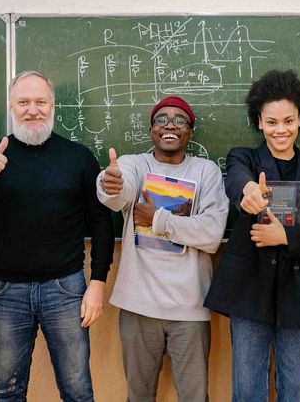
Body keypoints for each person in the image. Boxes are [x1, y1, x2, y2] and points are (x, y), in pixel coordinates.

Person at [0, 71, 114, 402]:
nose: (33, 110)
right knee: (8, 394)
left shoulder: (79, 157)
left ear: (53, 106)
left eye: (41, 102)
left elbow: (101, 222)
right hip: (7, 293)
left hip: (66, 290)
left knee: (77, 391)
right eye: (24, 102)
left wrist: (97, 282)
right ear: (11, 106)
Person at [204, 69, 300, 402]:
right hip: (249, 286)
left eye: (288, 120)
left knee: (296, 387)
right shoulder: (245, 158)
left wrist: (286, 237)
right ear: (259, 121)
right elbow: (236, 179)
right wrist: (249, 189)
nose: (280, 130)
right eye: (271, 122)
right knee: (247, 387)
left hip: (299, 292)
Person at [96, 96, 228, 402]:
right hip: (138, 305)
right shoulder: (134, 164)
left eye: (180, 120)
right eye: (161, 119)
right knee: (139, 397)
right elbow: (117, 191)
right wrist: (109, 183)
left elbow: (210, 234)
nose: (170, 125)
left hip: (190, 309)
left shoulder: (206, 171)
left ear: (190, 131)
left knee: (195, 397)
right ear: (151, 129)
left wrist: (158, 219)